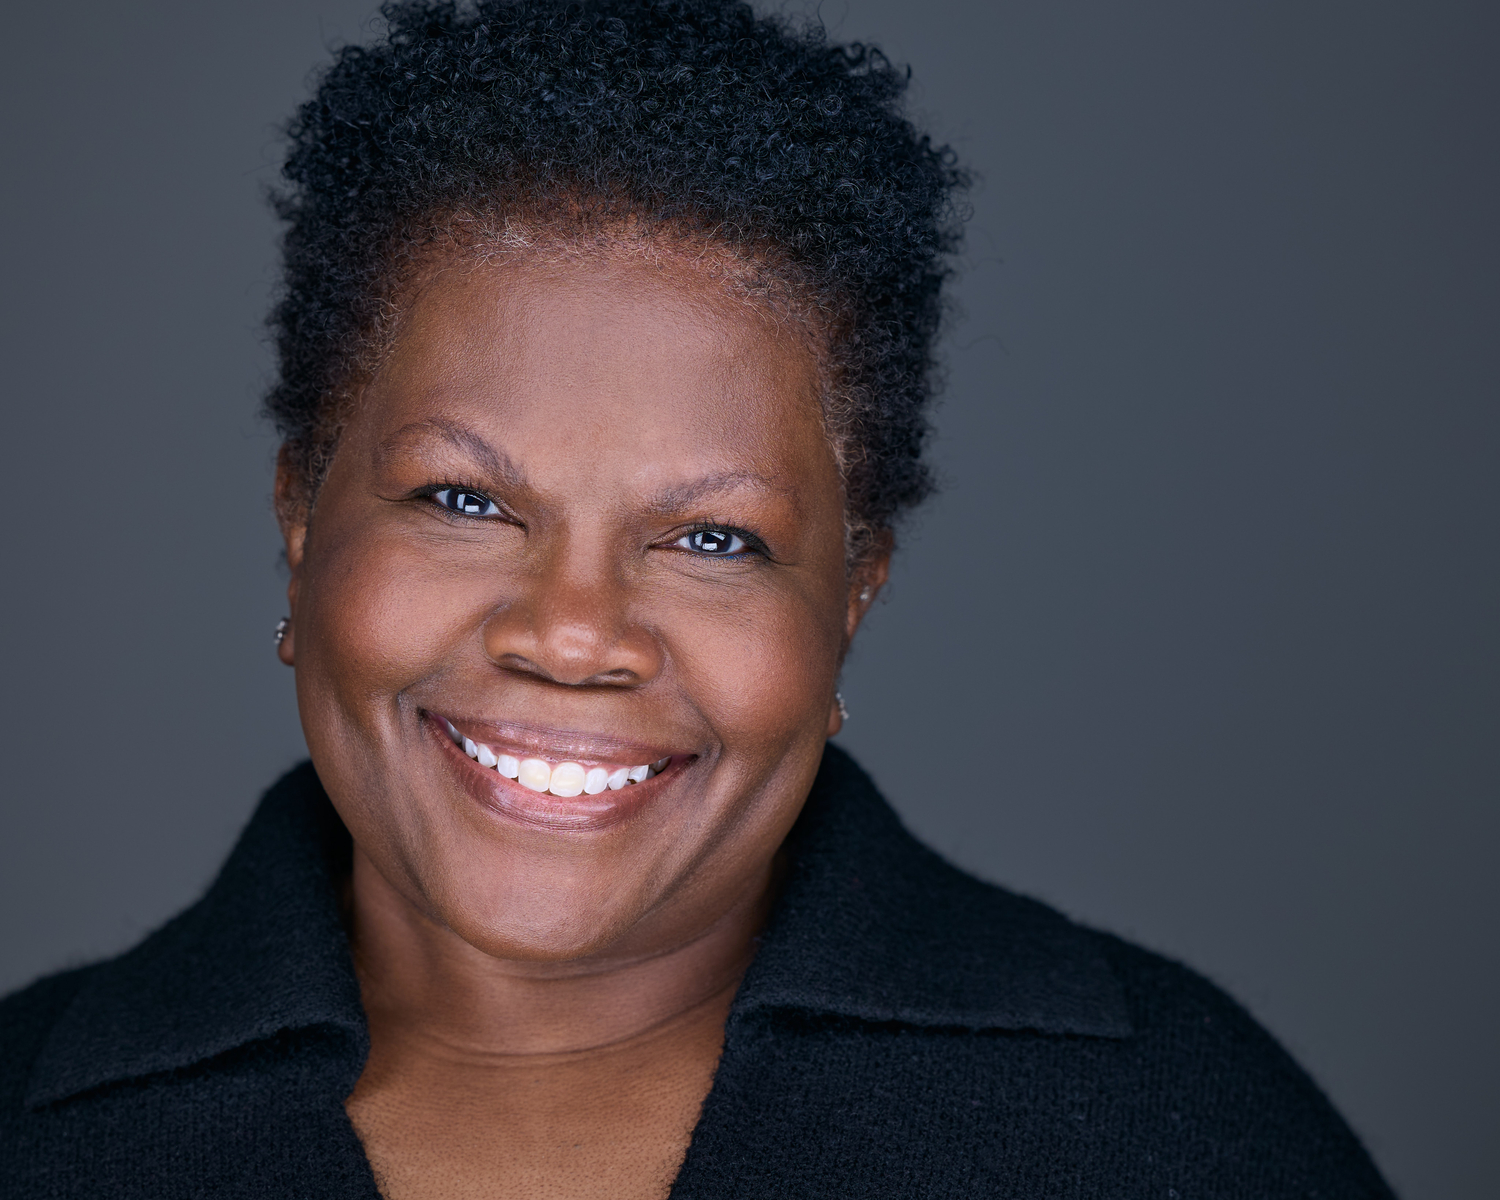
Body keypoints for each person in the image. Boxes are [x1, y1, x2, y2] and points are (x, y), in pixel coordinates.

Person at [0, 2, 1395, 1197]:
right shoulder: (28, 1123)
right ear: (302, 521)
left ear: (851, 597)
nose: (572, 632)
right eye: (466, 501)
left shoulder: (1175, 1128)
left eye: (714, 538)